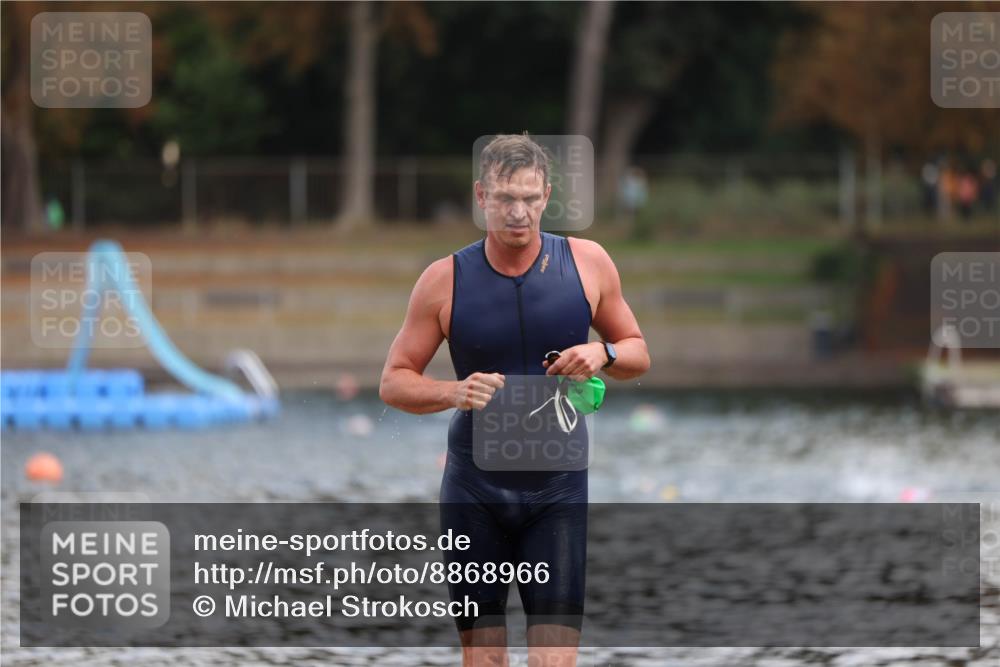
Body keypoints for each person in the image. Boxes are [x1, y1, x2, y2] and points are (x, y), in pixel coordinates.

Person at [379, 133, 649, 666]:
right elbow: (393, 380)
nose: (518, 213)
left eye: (529, 198)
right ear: (481, 196)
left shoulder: (588, 262)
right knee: (485, 660)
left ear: (547, 195)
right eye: (505, 199)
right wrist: (453, 391)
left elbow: (639, 352)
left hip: (558, 491)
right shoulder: (443, 280)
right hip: (472, 492)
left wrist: (604, 355)